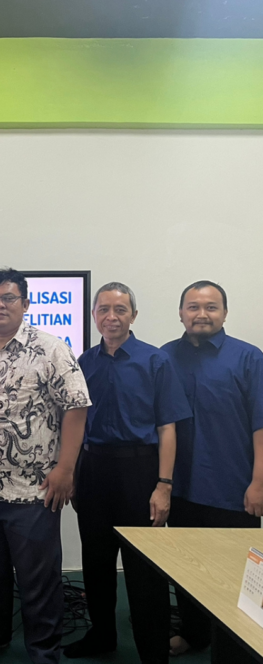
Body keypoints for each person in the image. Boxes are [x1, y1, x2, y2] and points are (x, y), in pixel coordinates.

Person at [0, 268, 91, 664]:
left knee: (38, 581)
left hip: (33, 491)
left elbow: (76, 407)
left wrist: (66, 469)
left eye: (8, 298)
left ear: (25, 304)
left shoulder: (50, 349)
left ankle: (44, 653)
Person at [63, 283, 191, 664]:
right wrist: (73, 474)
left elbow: (168, 427)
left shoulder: (155, 361)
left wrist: (164, 485)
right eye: (104, 309)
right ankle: (102, 635)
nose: (112, 317)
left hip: (140, 470)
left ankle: (153, 652)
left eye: (120, 310)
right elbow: (75, 423)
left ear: (133, 315)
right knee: (96, 562)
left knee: (143, 569)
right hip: (93, 470)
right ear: (94, 316)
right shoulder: (83, 362)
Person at [162, 281, 263, 656]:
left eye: (211, 307)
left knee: (237, 576)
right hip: (182, 488)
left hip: (233, 489)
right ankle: (195, 634)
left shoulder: (249, 358)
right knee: (187, 570)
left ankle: (238, 647)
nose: (201, 314)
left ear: (224, 313)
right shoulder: (164, 357)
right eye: (193, 307)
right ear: (181, 313)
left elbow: (261, 425)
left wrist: (259, 482)